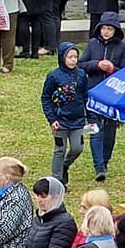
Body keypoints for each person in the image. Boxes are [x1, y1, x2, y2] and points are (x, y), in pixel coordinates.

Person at [40, 44, 89, 183]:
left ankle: (65, 165)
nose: (73, 60)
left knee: (77, 148)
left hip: (77, 120)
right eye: (70, 57)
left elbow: (85, 96)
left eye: (75, 57)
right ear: (62, 57)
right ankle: (57, 180)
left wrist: (90, 117)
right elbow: (46, 97)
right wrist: (52, 118)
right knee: (59, 149)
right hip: (60, 121)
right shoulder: (54, 76)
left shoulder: (81, 75)